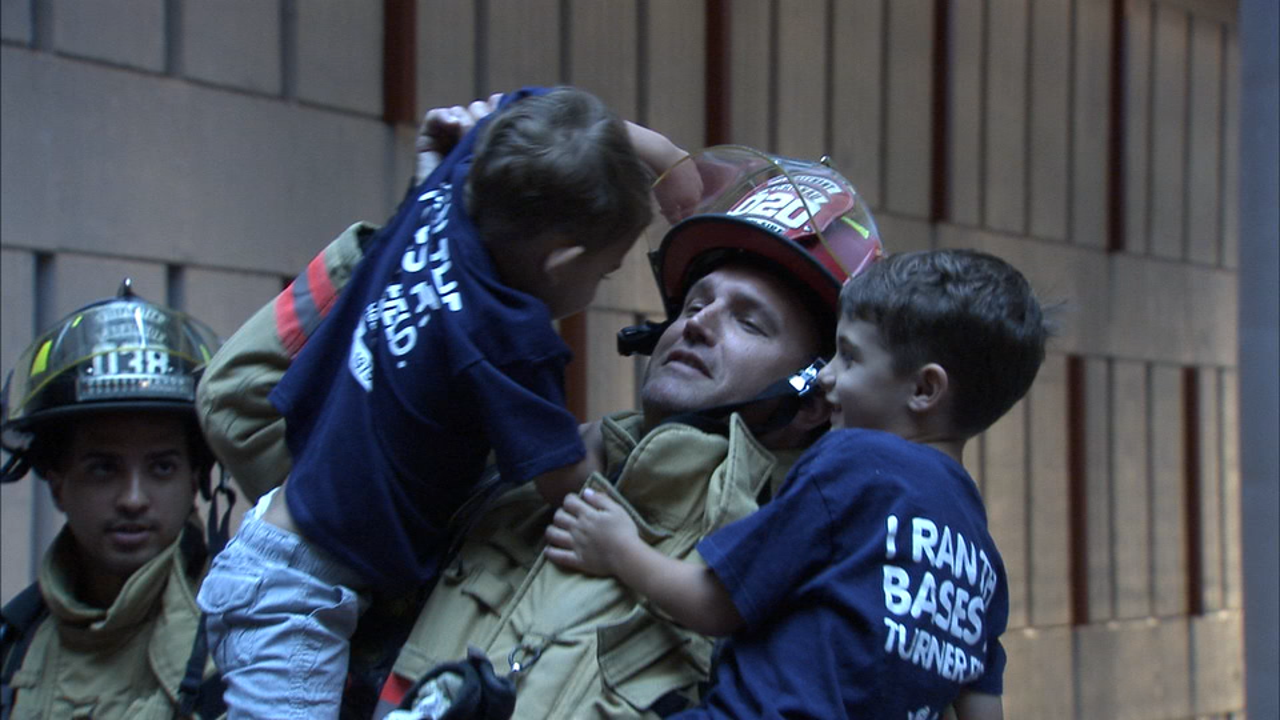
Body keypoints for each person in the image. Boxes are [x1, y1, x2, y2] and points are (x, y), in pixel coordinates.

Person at [194, 86, 689, 719]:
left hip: (279, 537)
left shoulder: (461, 182)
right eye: (606, 271)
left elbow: (526, 103)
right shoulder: (507, 337)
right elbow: (567, 484)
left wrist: (664, 155)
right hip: (297, 598)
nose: (599, 285)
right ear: (561, 261)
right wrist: (635, 541)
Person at [546, 248, 1050, 719]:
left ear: (923, 389)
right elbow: (981, 697)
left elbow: (716, 604)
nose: (825, 378)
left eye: (849, 358)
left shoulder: (851, 463)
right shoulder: (979, 549)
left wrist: (618, 548)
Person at [0, 280, 227, 720]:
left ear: (197, 478)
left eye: (161, 467)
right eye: (103, 468)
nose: (133, 499)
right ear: (56, 481)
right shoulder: (12, 653)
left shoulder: (252, 647)